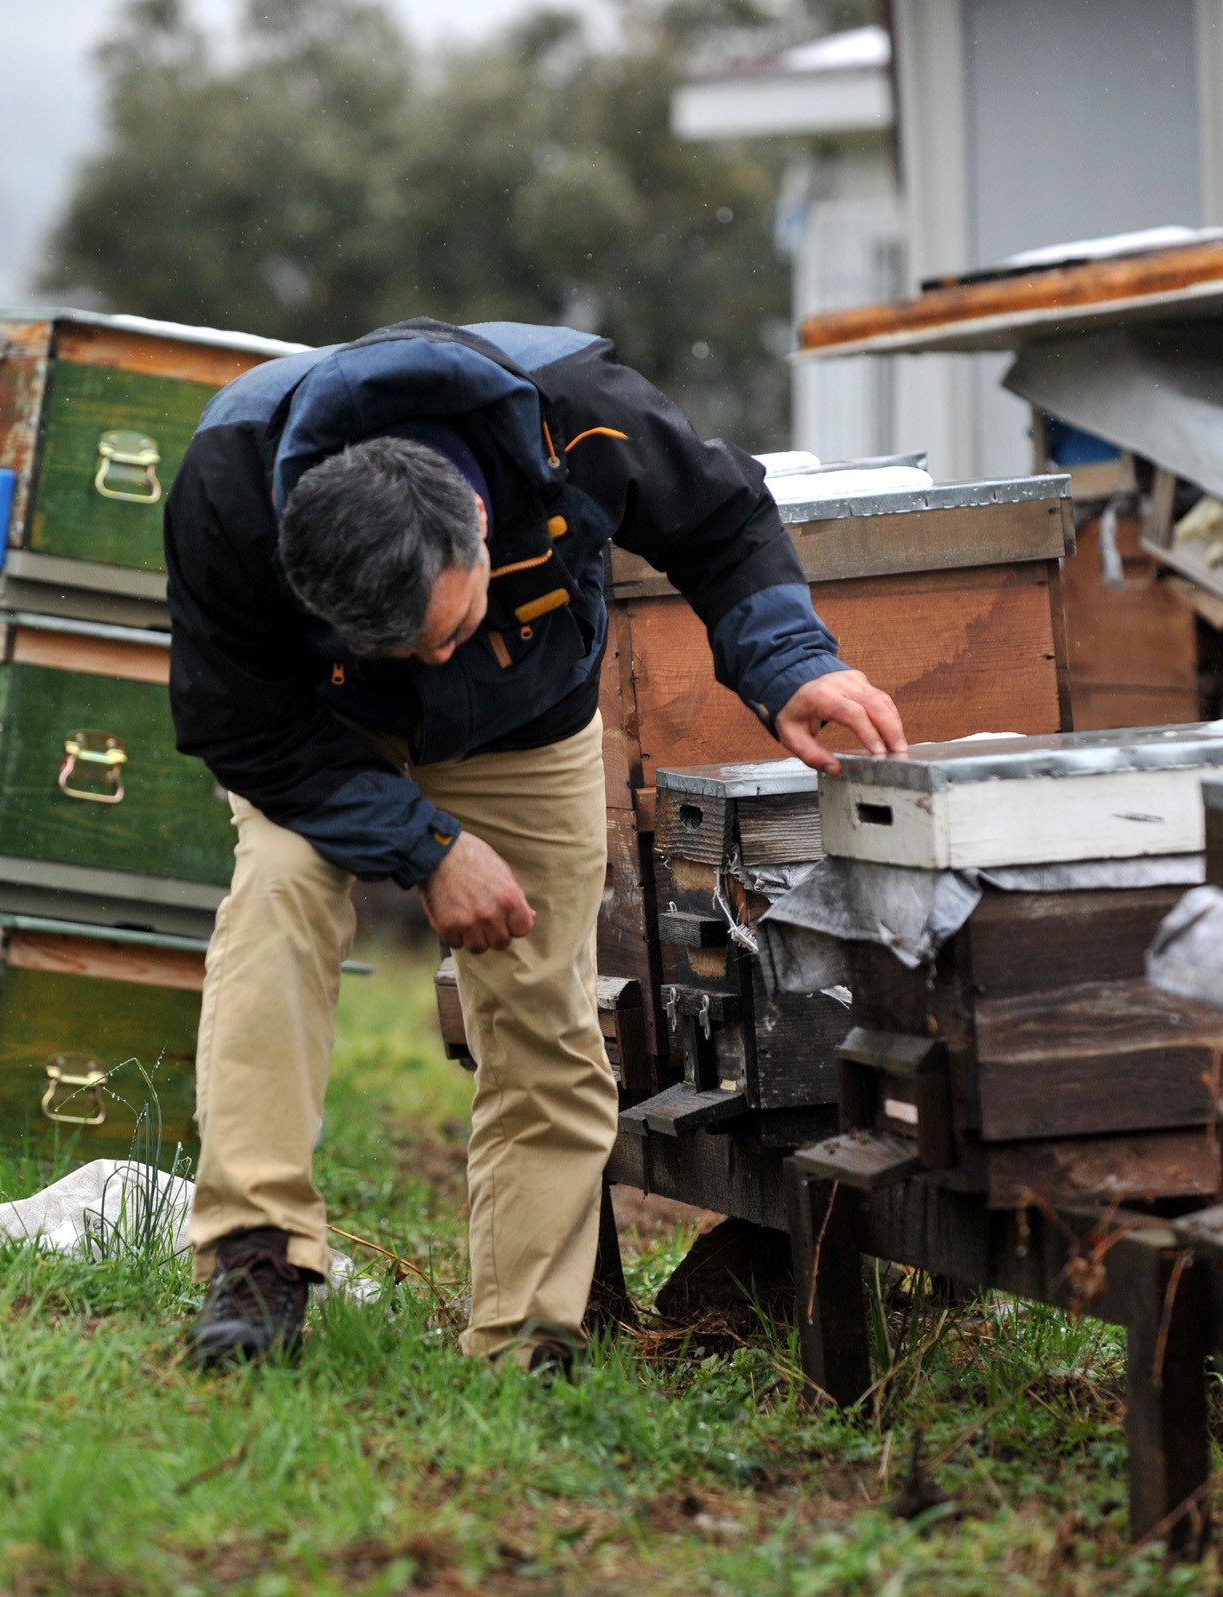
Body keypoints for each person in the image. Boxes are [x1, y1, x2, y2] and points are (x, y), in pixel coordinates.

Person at [164, 318, 905, 1370]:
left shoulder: (581, 412)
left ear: (476, 520)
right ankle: (256, 1261)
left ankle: (526, 1335)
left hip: (527, 717)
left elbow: (723, 520)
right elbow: (234, 722)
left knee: (544, 1001)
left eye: (444, 626)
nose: (431, 655)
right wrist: (427, 847)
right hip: (323, 733)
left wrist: (791, 662)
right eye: (402, 643)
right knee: (280, 893)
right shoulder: (228, 484)